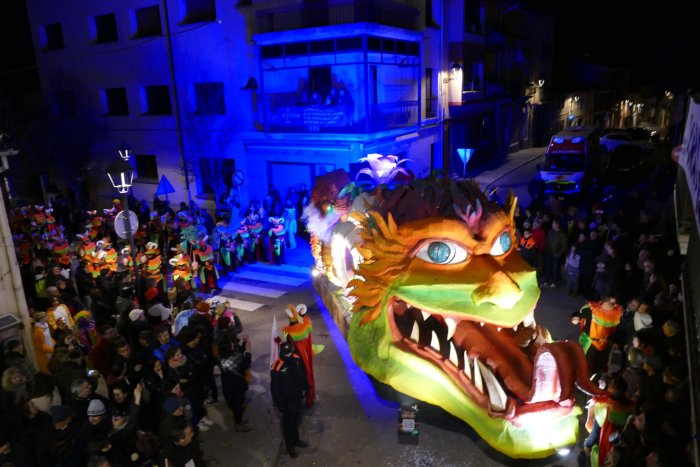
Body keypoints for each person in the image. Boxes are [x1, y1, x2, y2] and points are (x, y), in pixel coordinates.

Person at [270, 341, 309, 458]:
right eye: (287, 353)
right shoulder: (277, 366)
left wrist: (306, 387)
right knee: (288, 424)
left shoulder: (296, 358)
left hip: (297, 397)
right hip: (287, 401)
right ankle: (290, 446)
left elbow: (302, 375)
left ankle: (296, 439)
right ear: (282, 352)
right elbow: (275, 388)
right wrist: (279, 404)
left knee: (295, 420)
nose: (289, 355)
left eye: (290, 353)